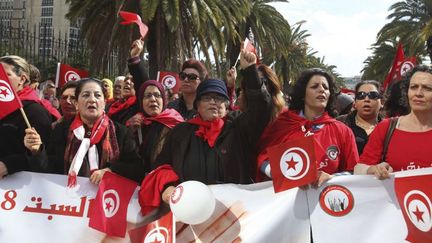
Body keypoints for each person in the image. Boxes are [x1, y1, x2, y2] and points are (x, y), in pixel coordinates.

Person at [138, 46, 272, 212]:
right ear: (197, 105)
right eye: (207, 98)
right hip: (190, 211)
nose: (213, 102)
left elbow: (261, 108)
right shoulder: (180, 132)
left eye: (218, 98)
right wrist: (167, 187)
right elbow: (162, 165)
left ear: (227, 104)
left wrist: (250, 71)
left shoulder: (239, 127)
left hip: (233, 212)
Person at [24, 78, 144, 185]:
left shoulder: (121, 132)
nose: (92, 100)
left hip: (104, 202)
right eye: (86, 95)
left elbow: (137, 170)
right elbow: (48, 170)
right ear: (77, 103)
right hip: (68, 202)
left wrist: (111, 170)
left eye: (97, 95)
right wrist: (37, 151)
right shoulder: (62, 130)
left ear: (104, 102)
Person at [257, 68, 359, 184]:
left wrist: (332, 178)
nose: (321, 90)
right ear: (302, 94)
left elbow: (353, 171)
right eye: (315, 86)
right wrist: (288, 175)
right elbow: (263, 160)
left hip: (327, 198)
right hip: (287, 198)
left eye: (326, 87)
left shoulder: (342, 131)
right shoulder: (282, 124)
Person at [354, 65, 432, 179]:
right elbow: (359, 169)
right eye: (414, 87)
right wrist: (372, 169)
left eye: (427, 88)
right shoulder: (386, 127)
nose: (418, 93)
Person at [0, 55, 53, 178]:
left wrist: (9, 165)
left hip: (18, 188)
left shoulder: (35, 112)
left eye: (4, 75)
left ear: (22, 79)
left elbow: (44, 157)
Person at [126, 80, 184, 171]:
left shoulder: (176, 124)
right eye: (148, 96)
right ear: (141, 101)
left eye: (157, 95)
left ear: (164, 100)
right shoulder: (135, 124)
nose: (153, 99)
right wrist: (131, 133)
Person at [337, 80, 384, 155]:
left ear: (382, 102)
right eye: (361, 95)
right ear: (355, 102)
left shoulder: (389, 128)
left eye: (373, 95)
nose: (366, 99)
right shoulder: (339, 124)